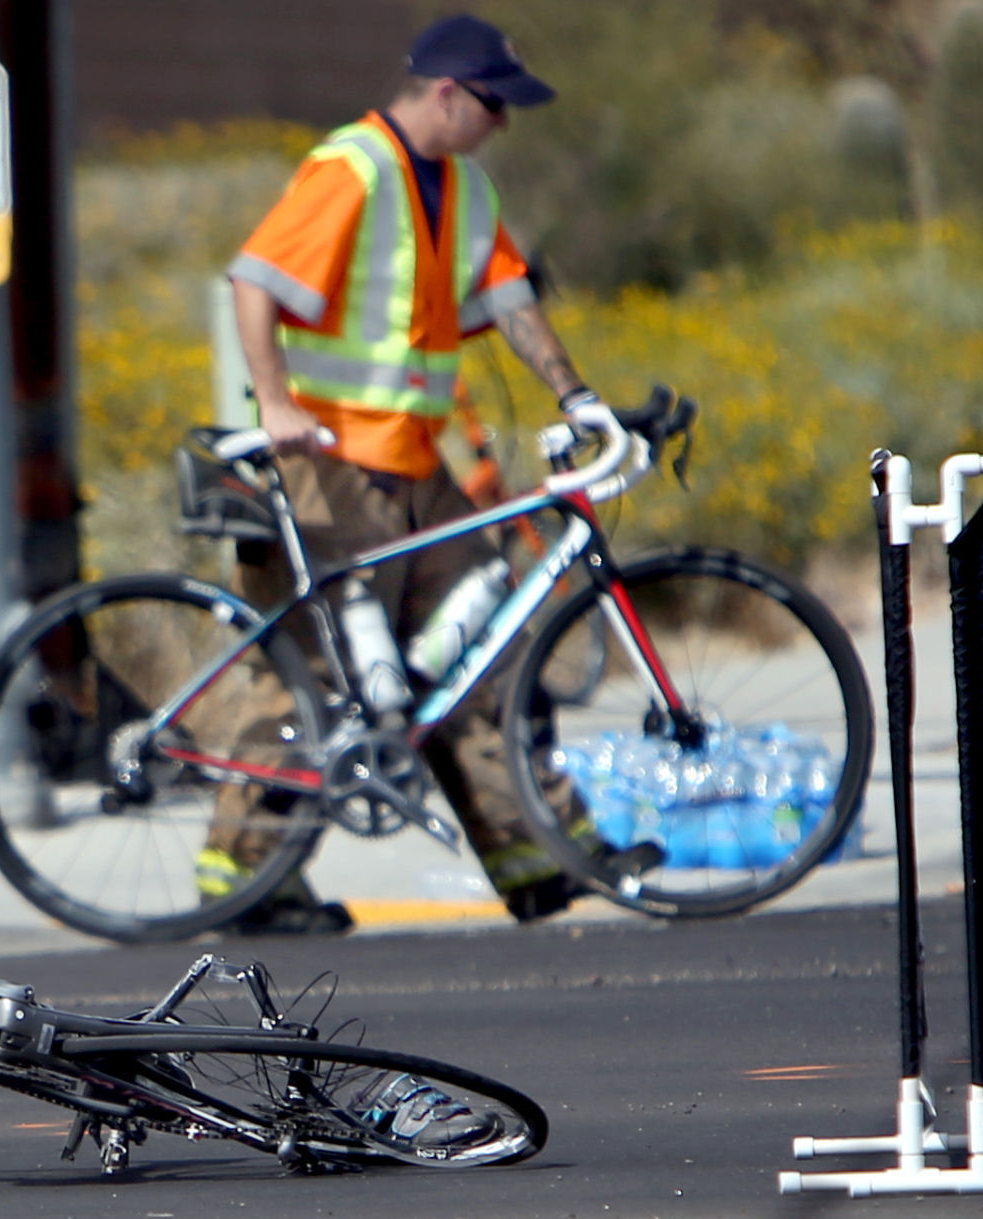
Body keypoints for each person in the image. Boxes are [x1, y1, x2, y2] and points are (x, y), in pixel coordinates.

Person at [196, 12, 658, 931]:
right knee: (311, 680)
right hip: (329, 464)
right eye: (494, 104)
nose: (503, 123)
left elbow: (512, 302)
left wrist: (578, 399)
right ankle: (244, 878)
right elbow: (255, 279)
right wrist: (275, 401)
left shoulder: (466, 188)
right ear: (446, 93)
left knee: (476, 649)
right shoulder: (352, 168)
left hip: (414, 464)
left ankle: (538, 854)